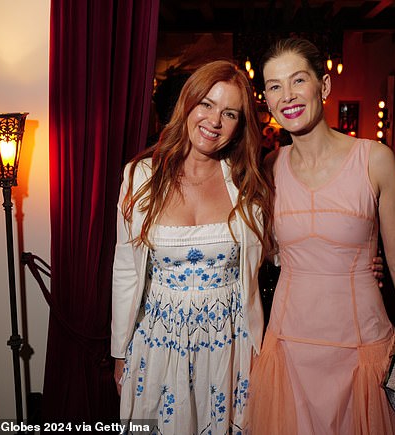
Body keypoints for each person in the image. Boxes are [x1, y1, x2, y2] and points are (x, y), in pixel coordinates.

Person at [248, 37, 395, 434]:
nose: (288, 96)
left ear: (324, 85)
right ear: (265, 99)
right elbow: (266, 249)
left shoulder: (374, 159)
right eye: (274, 86)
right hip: (289, 344)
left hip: (361, 342)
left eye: (298, 80)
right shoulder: (269, 167)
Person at [111, 60, 274, 434]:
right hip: (158, 342)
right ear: (187, 104)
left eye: (229, 112)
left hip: (229, 344)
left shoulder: (247, 184)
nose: (214, 120)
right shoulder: (140, 176)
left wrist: (356, 258)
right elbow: (125, 269)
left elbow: (282, 250)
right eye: (206, 104)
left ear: (239, 125)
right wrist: (119, 350)